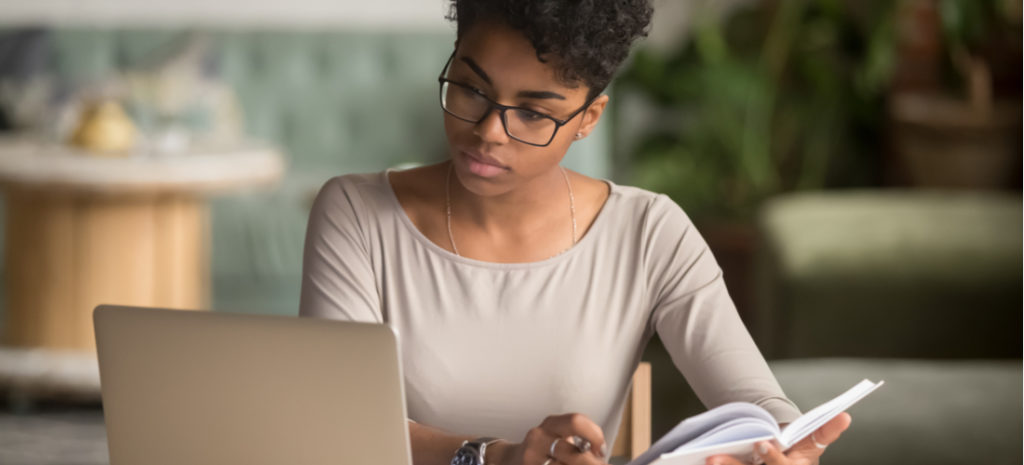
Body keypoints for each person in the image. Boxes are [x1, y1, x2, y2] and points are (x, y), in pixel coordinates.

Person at [298, 1, 851, 464]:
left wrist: (786, 445)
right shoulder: (357, 213)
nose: (490, 132)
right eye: (470, 90)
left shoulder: (648, 232)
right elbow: (334, 425)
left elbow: (755, 401)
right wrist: (495, 458)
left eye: (534, 114)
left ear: (589, 118)